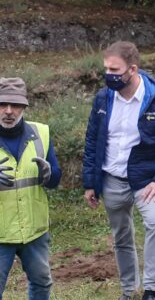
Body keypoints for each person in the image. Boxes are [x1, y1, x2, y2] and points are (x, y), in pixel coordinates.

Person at [82, 41, 155, 300]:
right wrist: (91, 183)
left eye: (114, 69)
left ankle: (151, 290)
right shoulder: (103, 98)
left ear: (132, 69)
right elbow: (92, 141)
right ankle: (129, 290)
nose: (108, 74)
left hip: (147, 181)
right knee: (121, 236)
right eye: (106, 69)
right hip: (112, 180)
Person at [0, 77, 62, 300]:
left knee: (42, 283)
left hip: (34, 230)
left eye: (15, 105)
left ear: (24, 107)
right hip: (0, 233)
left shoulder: (41, 134)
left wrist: (49, 174)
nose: (8, 111)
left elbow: (55, 179)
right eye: (2, 105)